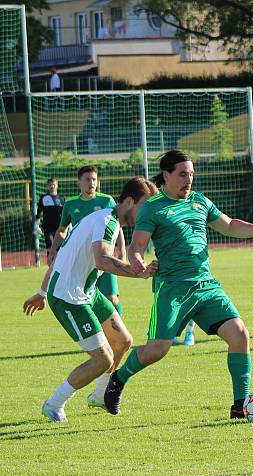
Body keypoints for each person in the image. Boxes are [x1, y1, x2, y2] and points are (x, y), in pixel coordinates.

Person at [103, 150, 253, 419]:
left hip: (205, 285)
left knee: (240, 335)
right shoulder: (153, 207)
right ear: (166, 175)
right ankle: (118, 380)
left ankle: (240, 406)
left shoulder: (200, 201)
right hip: (172, 288)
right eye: (182, 174)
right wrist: (137, 262)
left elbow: (229, 226)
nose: (188, 179)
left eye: (191, 174)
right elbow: (137, 246)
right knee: (157, 349)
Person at [23, 178, 159, 422]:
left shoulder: (108, 220)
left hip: (87, 291)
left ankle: (99, 395)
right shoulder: (106, 221)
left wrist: (41, 293)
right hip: (68, 298)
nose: (147, 214)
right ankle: (54, 403)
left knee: (122, 340)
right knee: (103, 358)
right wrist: (137, 273)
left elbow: (67, 254)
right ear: (129, 202)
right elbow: (102, 261)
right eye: (144, 207)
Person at [48, 165, 126, 317]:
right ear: (79, 182)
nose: (92, 183)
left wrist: (122, 250)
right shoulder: (71, 204)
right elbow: (62, 230)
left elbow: (118, 227)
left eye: (94, 179)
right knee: (87, 299)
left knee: (111, 298)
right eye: (88, 179)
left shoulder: (107, 201)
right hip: (82, 260)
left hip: (104, 256)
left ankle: (119, 326)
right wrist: (53, 250)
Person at [34, 178, 65, 250]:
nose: (52, 186)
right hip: (48, 226)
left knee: (59, 248)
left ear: (57, 186)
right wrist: (36, 225)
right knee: (50, 245)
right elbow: (39, 212)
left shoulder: (62, 198)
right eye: (50, 185)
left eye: (54, 184)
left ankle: (59, 261)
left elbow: (65, 213)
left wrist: (69, 225)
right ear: (47, 186)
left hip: (60, 226)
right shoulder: (43, 198)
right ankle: (50, 260)